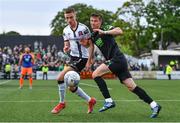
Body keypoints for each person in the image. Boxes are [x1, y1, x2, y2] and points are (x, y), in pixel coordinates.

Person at [80, 13, 161, 118]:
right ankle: (154, 105)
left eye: (95, 21)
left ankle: (109, 101)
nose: (93, 23)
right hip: (117, 62)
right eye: (91, 21)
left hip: (117, 59)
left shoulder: (105, 28)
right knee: (132, 87)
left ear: (100, 22)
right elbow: (90, 46)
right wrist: (89, 60)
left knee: (95, 74)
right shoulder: (93, 35)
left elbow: (119, 31)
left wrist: (105, 32)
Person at [51, 8, 96, 114]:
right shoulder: (65, 30)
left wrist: (90, 60)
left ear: (75, 16)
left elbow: (90, 45)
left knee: (60, 78)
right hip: (72, 57)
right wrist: (66, 48)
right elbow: (66, 44)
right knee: (72, 87)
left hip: (82, 58)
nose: (69, 20)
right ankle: (90, 100)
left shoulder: (83, 29)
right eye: (67, 18)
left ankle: (62, 103)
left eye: (71, 17)